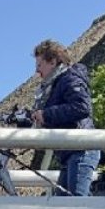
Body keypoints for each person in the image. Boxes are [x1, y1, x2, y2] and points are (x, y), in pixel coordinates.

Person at [30, 39, 98, 196]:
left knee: (74, 207)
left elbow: (82, 107)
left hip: (81, 149)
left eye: (39, 65)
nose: (37, 71)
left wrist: (46, 114)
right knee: (62, 207)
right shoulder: (56, 85)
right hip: (70, 153)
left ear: (52, 62)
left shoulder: (69, 78)